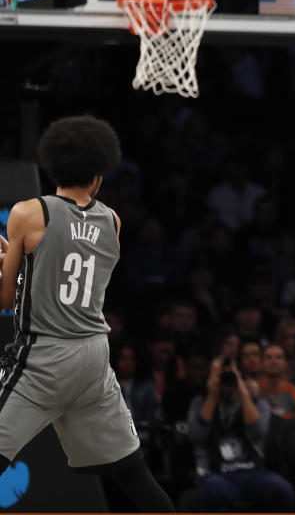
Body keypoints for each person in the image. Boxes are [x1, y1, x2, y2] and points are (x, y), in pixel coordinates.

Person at [0, 115, 174, 511]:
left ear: (51, 165)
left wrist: (6, 264)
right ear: (98, 173)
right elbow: (66, 265)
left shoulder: (28, 212)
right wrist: (24, 263)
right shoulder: (112, 220)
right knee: (134, 474)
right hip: (95, 357)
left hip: (46, 357)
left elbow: (6, 300)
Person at [186, 357, 295, 511]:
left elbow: (258, 431)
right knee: (214, 490)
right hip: (216, 473)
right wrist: (212, 395)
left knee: (282, 490)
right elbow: (198, 436)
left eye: (230, 376)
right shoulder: (199, 403)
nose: (225, 381)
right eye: (219, 375)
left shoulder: (257, 403)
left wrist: (243, 391)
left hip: (254, 472)